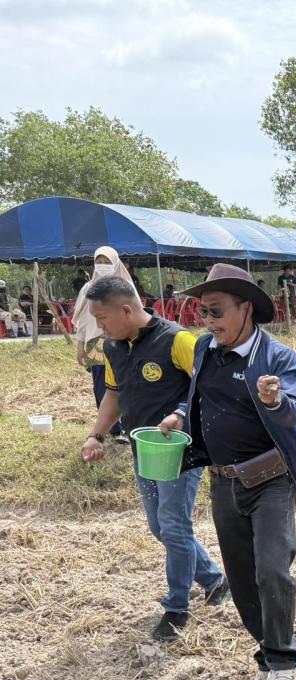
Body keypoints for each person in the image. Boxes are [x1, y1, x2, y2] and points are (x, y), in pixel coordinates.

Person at [158, 264, 296, 680]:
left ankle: (286, 662)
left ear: (245, 308)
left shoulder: (278, 357)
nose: (208, 322)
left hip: (270, 480)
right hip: (223, 481)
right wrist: (178, 414)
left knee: (272, 570)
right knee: (242, 578)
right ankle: (268, 657)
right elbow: (196, 395)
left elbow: (294, 409)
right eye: (202, 314)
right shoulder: (204, 352)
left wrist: (274, 398)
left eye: (216, 312)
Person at [80, 276, 228, 640]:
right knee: (160, 527)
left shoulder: (177, 340)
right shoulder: (114, 347)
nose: (99, 326)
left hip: (180, 447)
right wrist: (95, 434)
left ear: (126, 309)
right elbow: (113, 396)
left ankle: (177, 608)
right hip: (143, 447)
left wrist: (180, 412)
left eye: (102, 317)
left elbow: (211, 384)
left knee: (175, 526)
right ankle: (214, 579)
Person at [72, 247, 130, 442]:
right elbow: (83, 320)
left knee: (125, 383)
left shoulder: (125, 287)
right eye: (100, 262)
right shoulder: (89, 289)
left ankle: (130, 425)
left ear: (116, 263)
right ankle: (112, 430)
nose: (104, 266)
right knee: (101, 385)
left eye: (108, 262)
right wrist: (80, 345)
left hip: (122, 340)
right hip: (96, 343)